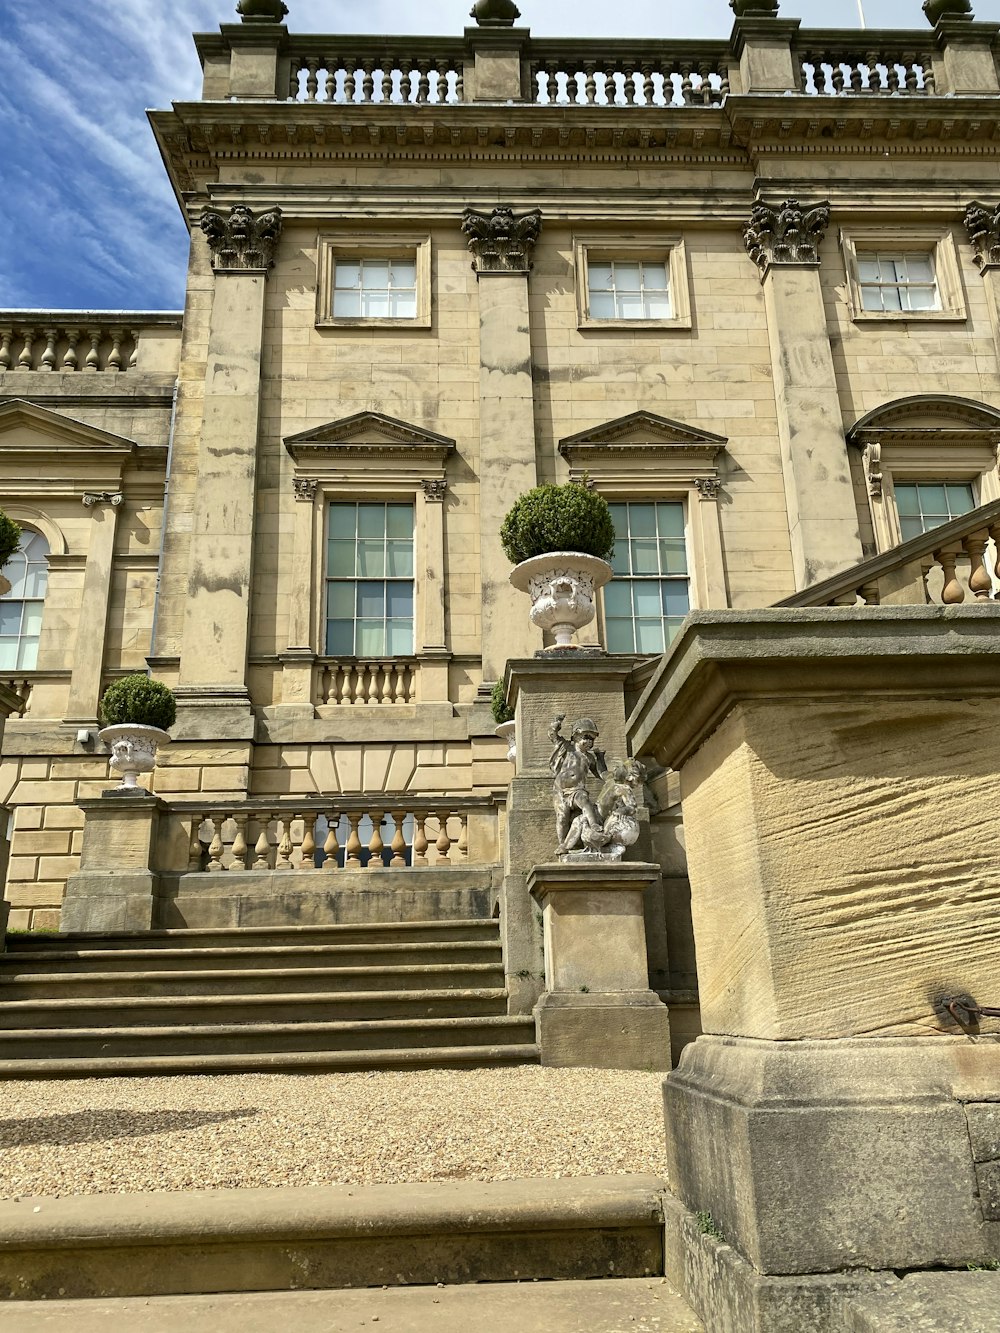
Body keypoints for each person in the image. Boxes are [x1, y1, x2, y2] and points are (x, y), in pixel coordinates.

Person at [548, 715, 608, 854]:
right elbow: (552, 735)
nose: (589, 741)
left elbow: (601, 774)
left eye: (592, 739)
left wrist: (601, 759)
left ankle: (594, 825)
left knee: (585, 802)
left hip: (577, 789)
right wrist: (556, 724)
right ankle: (563, 845)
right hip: (560, 791)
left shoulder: (590, 758)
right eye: (586, 736)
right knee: (562, 818)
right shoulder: (566, 747)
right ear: (575, 735)